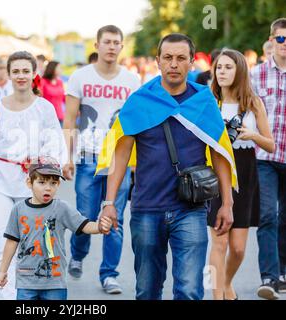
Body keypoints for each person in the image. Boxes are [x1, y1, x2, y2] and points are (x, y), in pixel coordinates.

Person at [98, 33, 236, 300]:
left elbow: (220, 153)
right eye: (168, 58)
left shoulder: (204, 101)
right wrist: (110, 202)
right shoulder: (140, 100)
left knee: (189, 290)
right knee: (148, 290)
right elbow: (121, 153)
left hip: (191, 208)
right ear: (158, 62)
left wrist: (227, 203)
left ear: (191, 62)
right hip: (147, 207)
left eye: (181, 58)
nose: (174, 64)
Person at [0, 51, 67, 300]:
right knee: (1, 241)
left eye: (26, 71)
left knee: (29, 243)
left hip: (31, 185)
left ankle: (27, 292)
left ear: (34, 73)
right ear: (8, 74)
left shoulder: (44, 108)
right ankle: (6, 294)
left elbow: (56, 145)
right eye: (16, 71)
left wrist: (42, 164)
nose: (21, 76)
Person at [62, 25, 140, 294]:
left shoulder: (132, 81)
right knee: (84, 216)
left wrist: (137, 163)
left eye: (116, 42)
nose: (111, 46)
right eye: (106, 42)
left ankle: (109, 274)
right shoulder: (80, 77)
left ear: (121, 46)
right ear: (96, 45)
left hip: (118, 159)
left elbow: (137, 123)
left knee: (113, 219)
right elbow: (70, 119)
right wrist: (67, 156)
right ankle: (77, 254)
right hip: (87, 157)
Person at [208, 49, 275, 300]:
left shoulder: (252, 102)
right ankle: (217, 296)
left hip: (245, 171)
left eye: (228, 67)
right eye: (219, 67)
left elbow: (270, 144)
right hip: (215, 171)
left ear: (240, 71)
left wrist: (252, 135)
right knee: (220, 242)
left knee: (237, 249)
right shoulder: (209, 101)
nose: (222, 72)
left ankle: (226, 283)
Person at [0, 157, 112, 300]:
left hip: (55, 281)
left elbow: (84, 225)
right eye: (42, 182)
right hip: (26, 281)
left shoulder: (61, 208)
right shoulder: (18, 210)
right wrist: (3, 271)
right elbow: (11, 242)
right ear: (29, 183)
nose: (48, 188)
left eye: (53, 183)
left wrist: (100, 227)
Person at [251, 17, 286, 300]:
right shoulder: (256, 75)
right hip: (264, 156)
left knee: (285, 217)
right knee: (267, 215)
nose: (284, 44)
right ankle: (269, 277)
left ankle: (283, 272)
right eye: (281, 39)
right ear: (272, 41)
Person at [41, 61, 65, 125]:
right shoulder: (42, 81)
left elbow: (64, 98)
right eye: (59, 68)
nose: (61, 70)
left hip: (60, 117)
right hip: (47, 118)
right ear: (53, 68)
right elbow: (38, 97)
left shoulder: (60, 82)